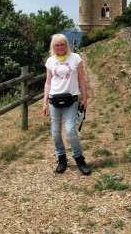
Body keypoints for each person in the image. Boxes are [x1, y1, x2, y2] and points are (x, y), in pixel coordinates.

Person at [42, 33, 91, 175]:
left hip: (71, 99)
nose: (60, 47)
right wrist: (44, 103)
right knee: (55, 132)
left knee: (70, 131)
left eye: (62, 44)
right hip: (54, 100)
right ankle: (61, 158)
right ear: (53, 47)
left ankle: (79, 158)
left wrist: (85, 97)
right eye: (57, 45)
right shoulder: (50, 61)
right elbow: (48, 82)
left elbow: (81, 78)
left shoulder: (75, 58)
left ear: (66, 45)